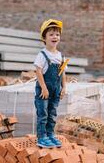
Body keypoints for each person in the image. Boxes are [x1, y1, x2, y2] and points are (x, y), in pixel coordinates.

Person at [33, 18, 67, 148]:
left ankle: (50, 134)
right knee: (43, 114)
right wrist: (43, 88)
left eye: (57, 34)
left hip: (55, 90)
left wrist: (64, 87)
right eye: (51, 34)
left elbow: (62, 73)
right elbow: (38, 71)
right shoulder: (42, 54)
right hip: (44, 91)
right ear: (44, 38)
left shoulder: (60, 56)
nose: (55, 37)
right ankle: (41, 137)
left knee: (52, 113)